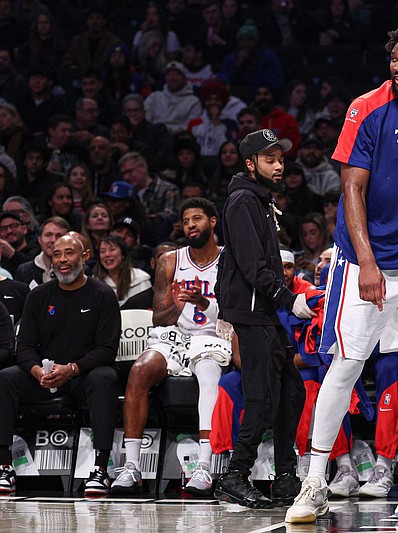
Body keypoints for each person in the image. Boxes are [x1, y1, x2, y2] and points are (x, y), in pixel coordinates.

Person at [285, 23, 398, 524]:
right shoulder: (366, 107)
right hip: (363, 260)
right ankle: (314, 482)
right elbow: (352, 189)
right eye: (395, 59)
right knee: (345, 368)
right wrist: (367, 263)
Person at [214, 128, 312, 509]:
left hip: (263, 311)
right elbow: (254, 267)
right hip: (252, 312)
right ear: (250, 163)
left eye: (281, 158)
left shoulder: (260, 199)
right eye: (270, 159)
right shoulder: (242, 201)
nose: (278, 165)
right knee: (261, 395)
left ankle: (285, 475)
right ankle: (235, 475)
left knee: (291, 388)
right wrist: (291, 300)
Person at [111, 198, 231, 496]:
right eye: (187, 220)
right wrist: (177, 307)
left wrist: (205, 304)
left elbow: (236, 312)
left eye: (197, 219)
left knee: (208, 373)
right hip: (175, 336)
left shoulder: (230, 259)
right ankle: (132, 465)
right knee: (139, 369)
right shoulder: (171, 261)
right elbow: (158, 317)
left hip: (213, 335)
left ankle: (204, 464)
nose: (191, 225)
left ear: (212, 222)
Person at [0, 233, 121, 494]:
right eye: (57, 254)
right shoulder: (39, 296)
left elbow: (107, 350)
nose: (63, 260)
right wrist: (36, 370)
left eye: (69, 253)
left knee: (105, 377)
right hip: (44, 376)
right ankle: (4, 466)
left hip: (81, 375)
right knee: (6, 377)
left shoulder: (103, 295)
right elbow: (25, 346)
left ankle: (100, 469)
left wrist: (72, 369)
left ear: (85, 257)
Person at [15, 216, 70, 289]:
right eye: (48, 235)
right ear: (40, 240)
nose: (53, 240)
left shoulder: (77, 269)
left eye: (59, 236)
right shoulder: (24, 271)